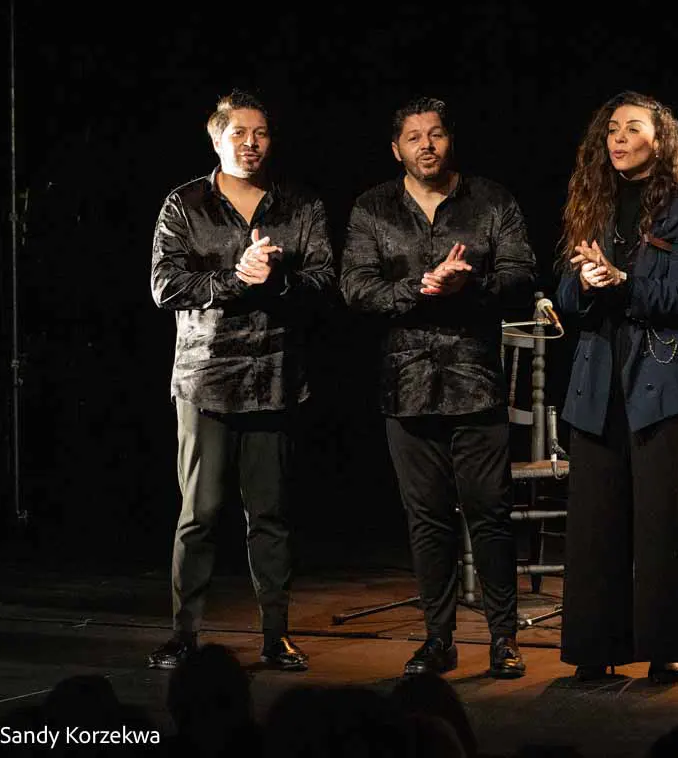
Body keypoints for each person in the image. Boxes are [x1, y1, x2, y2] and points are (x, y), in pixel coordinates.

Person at [340, 97, 536, 678]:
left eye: (436, 134)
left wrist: (465, 287)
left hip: (475, 380)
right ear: (396, 149)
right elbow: (354, 287)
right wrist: (419, 288)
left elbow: (521, 276)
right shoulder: (372, 208)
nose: (427, 145)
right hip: (406, 384)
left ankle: (504, 639)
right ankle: (438, 638)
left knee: (490, 514)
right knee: (426, 519)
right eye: (414, 137)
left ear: (450, 141)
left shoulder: (491, 200)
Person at [149, 90, 335, 671]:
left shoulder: (299, 205)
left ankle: (275, 634)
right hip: (205, 381)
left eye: (261, 134)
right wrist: (236, 276)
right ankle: (184, 634)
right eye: (240, 134)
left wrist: (276, 279)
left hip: (273, 377)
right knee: (199, 514)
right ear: (217, 138)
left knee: (271, 515)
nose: (251, 144)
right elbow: (165, 286)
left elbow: (326, 280)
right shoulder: (184, 204)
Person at [557, 91, 678, 684]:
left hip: (663, 374)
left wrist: (622, 280)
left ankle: (662, 646)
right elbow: (566, 301)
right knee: (594, 520)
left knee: (660, 520)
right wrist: (584, 278)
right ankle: (594, 646)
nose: (618, 138)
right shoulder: (593, 206)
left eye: (632, 128)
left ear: (661, 140)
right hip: (597, 374)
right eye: (612, 130)